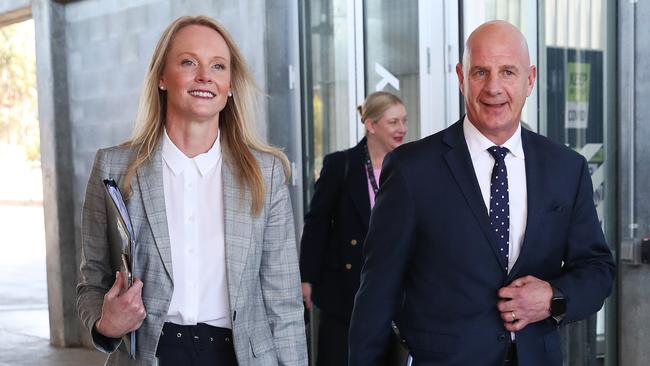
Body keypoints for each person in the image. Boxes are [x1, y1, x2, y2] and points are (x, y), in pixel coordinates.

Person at [348, 20, 615, 366]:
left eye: (508, 72)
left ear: (530, 79)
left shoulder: (567, 167)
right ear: (461, 77)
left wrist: (553, 297)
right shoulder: (412, 170)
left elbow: (597, 269)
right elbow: (377, 293)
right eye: (480, 72)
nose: (494, 87)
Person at [77, 15, 307, 366]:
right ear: (162, 77)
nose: (205, 77)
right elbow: (93, 278)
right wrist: (106, 325)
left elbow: (283, 301)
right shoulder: (114, 169)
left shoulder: (266, 173)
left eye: (218, 66)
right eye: (188, 62)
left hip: (240, 356)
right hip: (152, 355)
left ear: (230, 85)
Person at [299, 91, 408, 366]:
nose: (402, 129)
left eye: (404, 121)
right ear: (371, 125)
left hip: (393, 293)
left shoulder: (409, 166)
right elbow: (317, 222)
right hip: (344, 293)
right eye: (393, 122)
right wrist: (307, 277)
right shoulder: (341, 165)